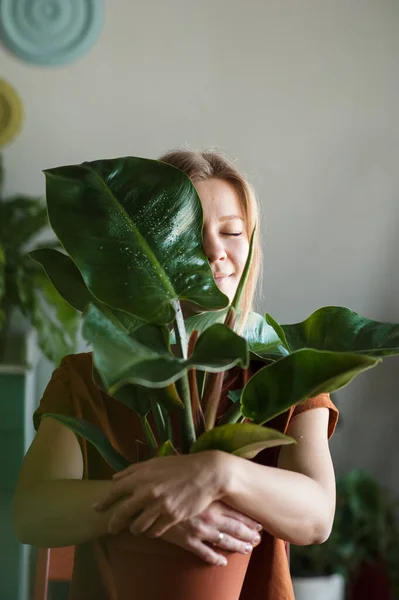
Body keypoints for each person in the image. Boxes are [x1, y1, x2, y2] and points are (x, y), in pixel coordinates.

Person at [13, 148, 338, 599]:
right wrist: (158, 510)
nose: (214, 250)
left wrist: (217, 472)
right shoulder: (91, 377)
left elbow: (317, 517)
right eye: (187, 235)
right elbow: (32, 512)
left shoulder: (288, 373)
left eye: (231, 232)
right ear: (145, 252)